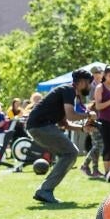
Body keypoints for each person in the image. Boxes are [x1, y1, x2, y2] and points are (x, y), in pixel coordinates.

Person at [25, 69, 96, 203]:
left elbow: (64, 123)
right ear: (81, 82)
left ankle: (45, 190)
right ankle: (45, 190)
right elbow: (71, 115)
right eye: (89, 83)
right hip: (41, 127)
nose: (91, 86)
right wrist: (88, 114)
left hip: (38, 127)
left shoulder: (67, 92)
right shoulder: (68, 90)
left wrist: (83, 128)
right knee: (71, 153)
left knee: (68, 153)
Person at [79, 65, 107, 178]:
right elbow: (92, 102)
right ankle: (86, 165)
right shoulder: (92, 86)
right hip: (93, 118)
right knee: (97, 144)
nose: (100, 74)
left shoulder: (100, 86)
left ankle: (94, 169)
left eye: (101, 72)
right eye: (98, 72)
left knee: (98, 145)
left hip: (100, 117)